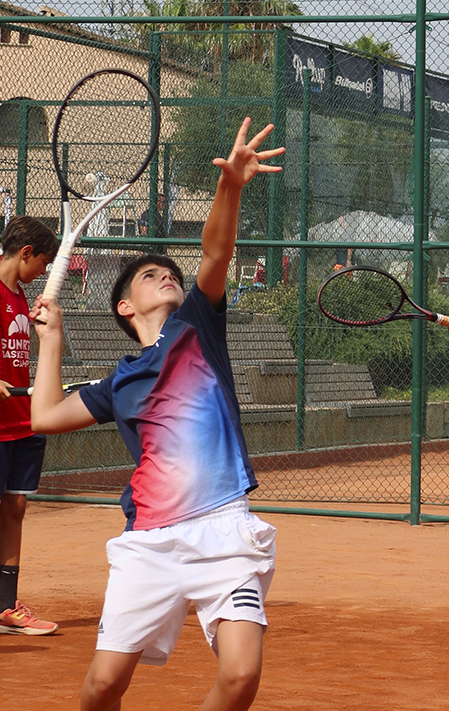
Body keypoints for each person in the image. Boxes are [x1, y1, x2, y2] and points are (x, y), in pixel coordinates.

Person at [30, 118, 284, 711]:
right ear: (124, 305)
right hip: (150, 541)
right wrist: (52, 340)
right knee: (100, 687)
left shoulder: (196, 325)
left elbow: (216, 249)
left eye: (167, 270)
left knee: (242, 675)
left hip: (224, 528)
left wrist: (232, 187)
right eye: (149, 275)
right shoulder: (117, 382)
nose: (164, 275)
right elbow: (43, 415)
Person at [0, 215, 59, 636]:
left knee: (15, 508)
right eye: (44, 261)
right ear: (26, 253)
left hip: (23, 420)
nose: (44, 271)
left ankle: (5, 607)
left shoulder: (21, 297)